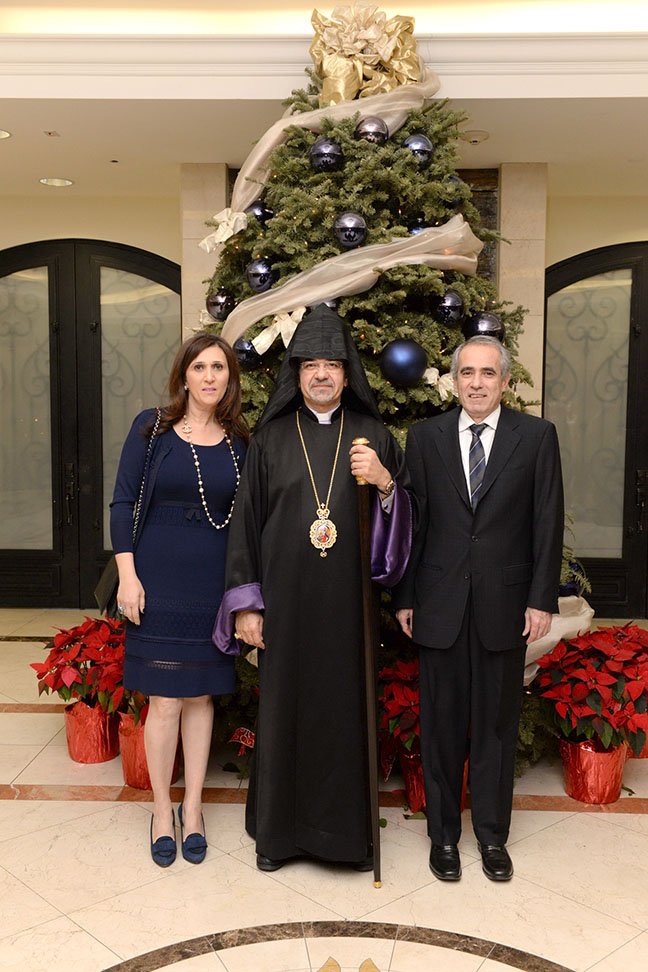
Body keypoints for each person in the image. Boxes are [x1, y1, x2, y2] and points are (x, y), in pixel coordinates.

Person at [213, 303, 412, 871]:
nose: (321, 374)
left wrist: (386, 482)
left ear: (348, 375)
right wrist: (247, 606)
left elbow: (408, 526)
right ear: (295, 374)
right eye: (310, 365)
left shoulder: (373, 436)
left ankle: (345, 841)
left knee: (343, 714)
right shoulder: (272, 438)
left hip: (349, 607)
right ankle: (279, 837)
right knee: (285, 714)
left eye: (332, 365)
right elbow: (244, 526)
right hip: (285, 604)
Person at [394, 335, 563, 882]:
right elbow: (411, 526)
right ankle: (443, 836)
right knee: (440, 726)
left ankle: (492, 837)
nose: (475, 382)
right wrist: (405, 597)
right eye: (466, 372)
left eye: (487, 373)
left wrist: (541, 599)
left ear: (505, 381)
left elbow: (546, 522)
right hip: (439, 603)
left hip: (506, 605)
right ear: (453, 379)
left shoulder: (536, 437)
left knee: (494, 725)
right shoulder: (424, 438)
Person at [110, 332, 248, 867]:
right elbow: (123, 501)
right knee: (164, 700)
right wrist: (128, 576)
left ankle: (193, 808)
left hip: (212, 587)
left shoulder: (240, 443)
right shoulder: (152, 429)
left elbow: (248, 522)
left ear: (229, 379)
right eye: (200, 367)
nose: (210, 377)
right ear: (183, 375)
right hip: (156, 581)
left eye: (220, 368)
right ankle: (161, 809)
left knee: (200, 698)